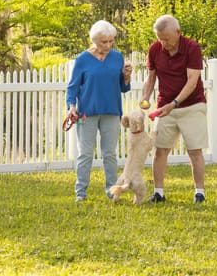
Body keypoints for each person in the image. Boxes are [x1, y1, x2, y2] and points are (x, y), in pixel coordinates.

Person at [140, 14, 208, 204]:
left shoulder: (192, 48)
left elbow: (192, 81)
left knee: (195, 150)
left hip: (192, 105)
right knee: (160, 150)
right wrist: (145, 96)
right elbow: (151, 78)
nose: (163, 43)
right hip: (164, 107)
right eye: (159, 38)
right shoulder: (154, 49)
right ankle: (159, 193)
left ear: (178, 33)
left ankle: (199, 193)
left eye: (167, 39)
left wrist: (175, 104)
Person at [66, 20, 133, 202]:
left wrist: (126, 77)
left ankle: (112, 190)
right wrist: (71, 107)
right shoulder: (83, 60)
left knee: (109, 154)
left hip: (111, 111)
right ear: (94, 40)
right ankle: (81, 192)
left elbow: (123, 87)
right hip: (87, 113)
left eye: (111, 41)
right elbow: (72, 87)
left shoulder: (117, 57)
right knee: (85, 154)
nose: (109, 45)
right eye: (104, 42)